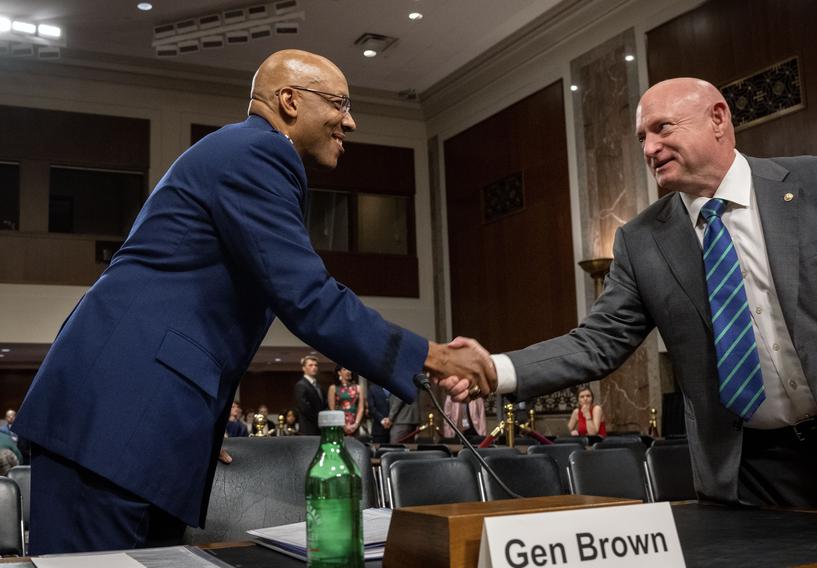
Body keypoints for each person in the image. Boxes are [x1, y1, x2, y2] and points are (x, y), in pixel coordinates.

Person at [12, 49, 495, 555]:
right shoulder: (256, 154)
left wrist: (189, 423)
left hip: (138, 422)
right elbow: (309, 297)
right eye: (339, 103)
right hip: (111, 423)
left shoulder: (242, 154)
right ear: (289, 100)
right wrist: (433, 357)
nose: (349, 121)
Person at [442, 77, 817, 514]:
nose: (649, 148)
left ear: (719, 118)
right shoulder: (642, 240)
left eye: (662, 128)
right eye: (642, 136)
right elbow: (598, 341)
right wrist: (495, 368)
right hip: (748, 471)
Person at [294, 355, 325, 435]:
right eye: (310, 365)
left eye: (316, 365)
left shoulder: (318, 385)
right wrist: (319, 420)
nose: (314, 367)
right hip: (308, 428)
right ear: (304, 368)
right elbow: (305, 408)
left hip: (318, 427)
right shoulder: (301, 385)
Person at [327, 366, 363, 436]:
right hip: (339, 422)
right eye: (344, 369)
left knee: (355, 445)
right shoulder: (333, 388)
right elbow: (332, 409)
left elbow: (361, 408)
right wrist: (343, 425)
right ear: (339, 373)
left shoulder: (358, 388)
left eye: (349, 369)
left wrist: (356, 424)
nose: (348, 371)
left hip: (354, 423)